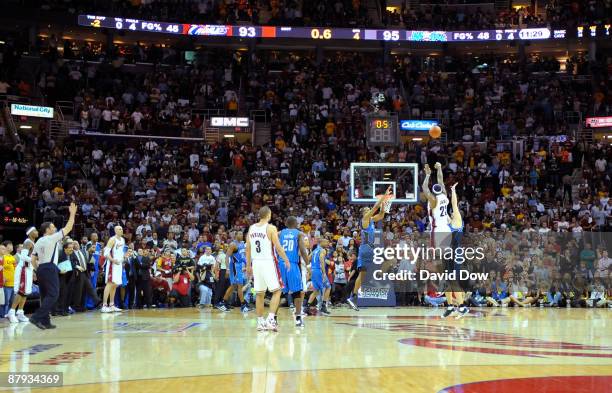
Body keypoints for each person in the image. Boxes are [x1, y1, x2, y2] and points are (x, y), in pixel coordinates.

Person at [29, 202, 78, 330]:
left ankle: (45, 321)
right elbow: (68, 228)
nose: (55, 228)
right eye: (53, 227)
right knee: (54, 294)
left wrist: (36, 270)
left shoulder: (39, 241)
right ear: (47, 230)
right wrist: (72, 214)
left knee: (45, 295)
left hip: (41, 269)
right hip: (50, 268)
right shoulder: (51, 238)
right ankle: (36, 317)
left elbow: (33, 258)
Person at [346, 186, 392, 311]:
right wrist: (384, 196)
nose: (369, 210)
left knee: (362, 275)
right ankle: (354, 297)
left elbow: (381, 215)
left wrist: (384, 205)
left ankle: (353, 298)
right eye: (367, 209)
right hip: (367, 249)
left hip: (369, 249)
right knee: (387, 261)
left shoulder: (371, 219)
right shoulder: (365, 219)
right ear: (364, 213)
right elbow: (375, 207)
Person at [246, 206, 291, 332]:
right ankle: (271, 320)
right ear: (269, 215)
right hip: (268, 262)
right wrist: (286, 259)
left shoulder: (251, 228)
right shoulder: (271, 228)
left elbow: (248, 248)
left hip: (256, 263)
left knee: (259, 294)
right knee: (277, 291)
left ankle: (260, 322)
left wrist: (248, 265)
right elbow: (278, 247)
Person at [442, 183, 470, 319]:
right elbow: (442, 212)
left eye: (454, 211)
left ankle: (462, 306)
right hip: (448, 254)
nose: (452, 212)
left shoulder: (457, 220)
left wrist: (452, 191)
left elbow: (454, 204)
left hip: (455, 253)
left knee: (453, 281)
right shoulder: (449, 221)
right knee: (446, 281)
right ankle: (451, 307)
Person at [278, 216, 310, 326]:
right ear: (296, 224)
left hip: (280, 264)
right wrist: (308, 263)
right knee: (297, 292)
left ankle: (274, 318)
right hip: (292, 264)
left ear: (286, 224)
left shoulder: (280, 233)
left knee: (278, 292)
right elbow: (302, 250)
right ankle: (298, 318)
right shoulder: (299, 234)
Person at [6, 227, 38, 323]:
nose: (37, 232)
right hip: (23, 269)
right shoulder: (27, 242)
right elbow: (23, 257)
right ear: (30, 233)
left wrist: (33, 271)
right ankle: (11, 312)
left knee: (25, 293)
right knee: (21, 292)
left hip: (28, 269)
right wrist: (34, 260)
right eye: (35, 231)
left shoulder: (32, 243)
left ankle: (20, 313)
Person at [218, 231, 249, 313]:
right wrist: (227, 269)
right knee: (239, 285)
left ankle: (223, 302)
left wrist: (247, 264)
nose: (241, 235)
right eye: (239, 234)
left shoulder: (242, 243)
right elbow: (227, 257)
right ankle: (243, 305)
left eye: (242, 234)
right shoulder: (233, 245)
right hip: (234, 267)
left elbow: (242, 256)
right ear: (235, 236)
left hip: (239, 266)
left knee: (233, 286)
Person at [101, 226, 126, 313]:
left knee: (115, 284)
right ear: (115, 231)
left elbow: (121, 252)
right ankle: (104, 305)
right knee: (109, 283)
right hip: (112, 264)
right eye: (119, 229)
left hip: (119, 265)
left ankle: (111, 305)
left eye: (122, 229)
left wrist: (123, 259)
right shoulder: (112, 239)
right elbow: (106, 252)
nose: (121, 230)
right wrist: (112, 260)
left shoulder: (122, 240)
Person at [70, 239, 100, 311]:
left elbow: (89, 260)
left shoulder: (83, 252)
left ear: (79, 244)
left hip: (85, 272)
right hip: (78, 273)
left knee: (89, 288)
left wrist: (92, 269)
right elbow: (72, 263)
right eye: (73, 244)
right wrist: (77, 267)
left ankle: (96, 301)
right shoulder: (71, 254)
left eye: (76, 243)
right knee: (80, 291)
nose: (75, 245)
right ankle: (78, 306)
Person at [306, 238, 332, 316]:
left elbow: (308, 259)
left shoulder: (314, 250)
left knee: (316, 291)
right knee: (328, 287)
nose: (328, 243)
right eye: (326, 242)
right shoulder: (322, 250)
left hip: (314, 271)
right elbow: (321, 259)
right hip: (319, 271)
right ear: (321, 242)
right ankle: (323, 306)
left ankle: (307, 307)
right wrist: (324, 272)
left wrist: (309, 269)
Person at [2, 241, 16, 319]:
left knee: (12, 302)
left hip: (13, 283)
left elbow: (14, 268)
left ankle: (11, 315)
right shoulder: (3, 257)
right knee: (5, 302)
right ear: (6, 247)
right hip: (6, 284)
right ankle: (4, 316)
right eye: (10, 245)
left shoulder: (12, 257)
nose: (12, 246)